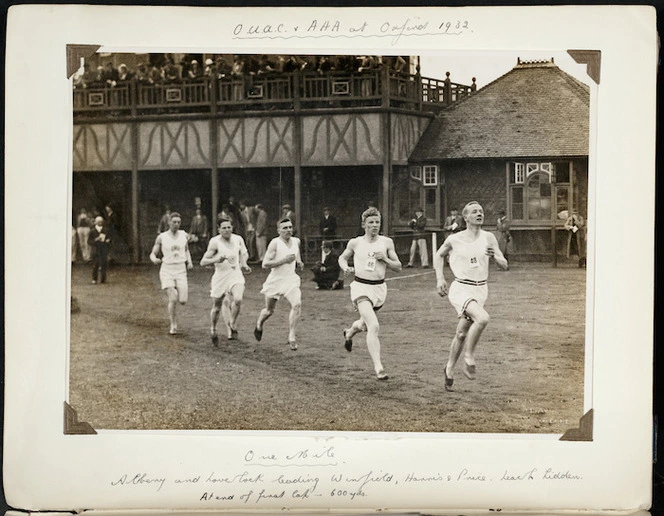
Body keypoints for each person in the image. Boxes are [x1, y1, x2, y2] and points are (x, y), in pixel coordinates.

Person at [433, 201, 508, 392]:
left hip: (480, 290)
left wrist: (496, 257)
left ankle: (449, 368)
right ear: (465, 217)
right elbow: (438, 255)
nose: (479, 214)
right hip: (461, 288)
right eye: (474, 212)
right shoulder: (454, 239)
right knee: (482, 318)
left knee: (461, 333)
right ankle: (469, 357)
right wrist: (440, 278)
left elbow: (504, 264)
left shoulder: (489, 237)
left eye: (481, 211)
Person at [338, 207, 402, 380]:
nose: (375, 225)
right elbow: (342, 258)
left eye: (377, 222)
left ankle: (350, 332)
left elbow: (398, 267)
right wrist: (346, 268)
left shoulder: (387, 242)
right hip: (360, 287)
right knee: (373, 325)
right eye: (371, 222)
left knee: (364, 325)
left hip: (379, 289)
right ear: (363, 225)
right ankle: (379, 367)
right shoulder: (355, 243)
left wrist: (385, 259)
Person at [254, 217, 303, 351]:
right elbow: (265, 264)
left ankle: (292, 336)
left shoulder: (296, 241)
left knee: (297, 304)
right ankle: (259, 324)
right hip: (275, 280)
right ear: (279, 230)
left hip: (290, 279)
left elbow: (296, 254)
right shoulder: (275, 243)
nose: (288, 230)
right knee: (269, 311)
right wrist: (283, 260)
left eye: (290, 227)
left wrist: (299, 262)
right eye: (285, 228)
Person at [200, 217, 251, 346]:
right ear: (219, 229)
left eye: (229, 227)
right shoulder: (215, 242)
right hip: (220, 277)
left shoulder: (238, 239)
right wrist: (216, 259)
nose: (227, 230)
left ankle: (232, 322)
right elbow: (203, 261)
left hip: (235, 274)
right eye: (224, 228)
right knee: (217, 307)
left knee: (238, 299)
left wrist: (244, 263)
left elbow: (243, 253)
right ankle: (213, 328)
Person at [150, 212, 193, 335]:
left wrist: (189, 262)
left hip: (180, 269)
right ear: (169, 222)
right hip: (167, 269)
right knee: (173, 298)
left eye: (178, 222)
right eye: (174, 222)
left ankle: (178, 293)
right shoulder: (162, 237)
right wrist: (154, 259)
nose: (176, 224)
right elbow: (153, 253)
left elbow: (186, 250)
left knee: (183, 300)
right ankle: (173, 324)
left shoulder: (184, 235)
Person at [89, 216, 111, 284]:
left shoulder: (105, 230)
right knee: (96, 264)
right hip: (96, 249)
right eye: (99, 222)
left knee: (104, 263)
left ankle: (103, 279)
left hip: (103, 248)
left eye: (101, 222)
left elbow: (109, 238)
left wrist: (108, 240)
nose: (100, 223)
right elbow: (89, 241)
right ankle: (94, 278)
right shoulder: (92, 231)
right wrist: (95, 240)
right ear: (95, 222)